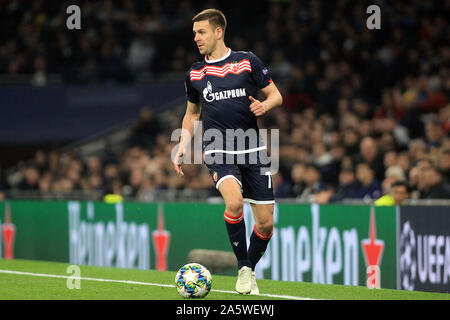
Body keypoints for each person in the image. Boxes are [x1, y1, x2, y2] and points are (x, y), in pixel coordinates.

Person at [173, 9, 282, 295]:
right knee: (234, 204)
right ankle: (244, 267)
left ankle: (247, 269)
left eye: (202, 32)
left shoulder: (247, 61)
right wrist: (183, 144)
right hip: (218, 148)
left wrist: (263, 106)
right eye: (195, 33)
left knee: (266, 225)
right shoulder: (195, 73)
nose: (196, 38)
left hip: (254, 148)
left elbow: (276, 95)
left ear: (218, 31)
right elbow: (191, 114)